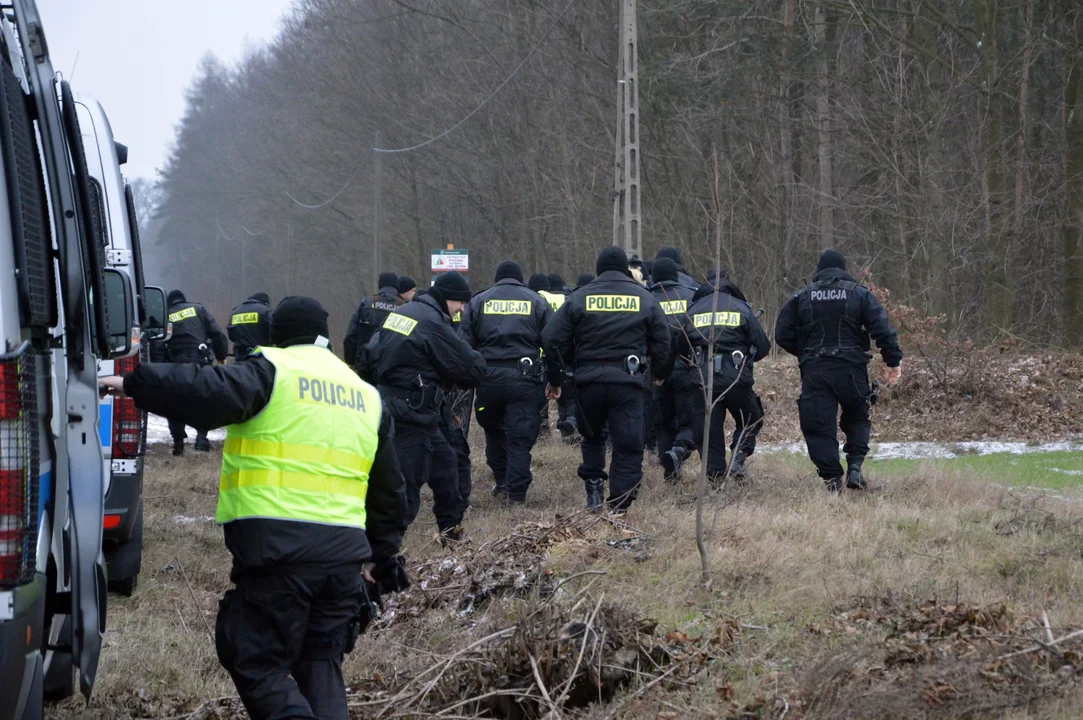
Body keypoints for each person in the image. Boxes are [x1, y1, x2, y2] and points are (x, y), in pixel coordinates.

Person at [99, 296, 409, 720]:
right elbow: (390, 490)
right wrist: (381, 554)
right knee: (320, 664)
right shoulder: (366, 396)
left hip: (278, 556)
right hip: (343, 562)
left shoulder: (272, 372)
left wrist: (132, 382)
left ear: (276, 335)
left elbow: (202, 388)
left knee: (257, 661)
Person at [357, 271, 486, 539]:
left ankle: (451, 535)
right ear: (448, 298)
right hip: (410, 415)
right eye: (460, 302)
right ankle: (381, 551)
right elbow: (468, 366)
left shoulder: (405, 312)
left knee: (447, 467)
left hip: (403, 410)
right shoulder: (431, 322)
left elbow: (368, 356)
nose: (462, 309)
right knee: (406, 488)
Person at [543, 247, 671, 513]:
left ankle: (593, 491)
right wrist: (659, 373)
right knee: (628, 443)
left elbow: (551, 338)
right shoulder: (644, 297)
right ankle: (620, 506)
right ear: (626, 268)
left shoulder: (578, 298)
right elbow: (663, 339)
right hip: (628, 382)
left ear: (598, 268)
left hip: (587, 382)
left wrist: (557, 377)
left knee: (592, 438)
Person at [774, 249, 903, 492]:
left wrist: (805, 353)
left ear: (819, 270)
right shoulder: (859, 294)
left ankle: (833, 479)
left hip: (816, 370)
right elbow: (883, 329)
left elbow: (781, 335)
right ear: (844, 269)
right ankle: (854, 468)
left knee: (818, 425)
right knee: (857, 417)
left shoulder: (802, 296)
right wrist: (893, 361)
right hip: (851, 369)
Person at [461, 261, 552, 503]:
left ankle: (502, 481)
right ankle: (517, 495)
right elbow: (552, 342)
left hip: (488, 378)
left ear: (497, 278)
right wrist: (554, 379)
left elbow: (464, 344)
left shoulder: (479, 301)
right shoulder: (536, 301)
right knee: (520, 438)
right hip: (525, 378)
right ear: (520, 278)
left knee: (493, 431)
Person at [678, 276, 771, 482]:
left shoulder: (692, 311)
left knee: (707, 432)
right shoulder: (741, 308)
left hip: (702, 380)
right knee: (750, 419)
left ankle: (715, 480)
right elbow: (763, 347)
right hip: (736, 379)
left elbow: (679, 348)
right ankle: (739, 455)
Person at [648, 258, 698, 481]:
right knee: (690, 421)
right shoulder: (692, 295)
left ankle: (670, 471)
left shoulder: (647, 298)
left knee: (663, 422)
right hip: (688, 367)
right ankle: (678, 451)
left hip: (657, 371)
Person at [165, 289, 228, 455]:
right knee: (202, 399)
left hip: (175, 364)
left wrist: (159, 368)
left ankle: (178, 444)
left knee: (175, 403)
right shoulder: (198, 309)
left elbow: (158, 344)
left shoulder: (166, 315)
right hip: (200, 362)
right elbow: (217, 334)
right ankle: (201, 438)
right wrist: (221, 356)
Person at [344, 272, 402, 367]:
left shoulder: (367, 302)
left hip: (366, 362)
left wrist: (350, 361)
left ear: (380, 285)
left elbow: (351, 334)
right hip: (393, 364)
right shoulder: (403, 306)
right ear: (396, 286)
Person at [227, 292, 272, 360]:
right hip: (260, 356)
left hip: (240, 356)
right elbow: (274, 331)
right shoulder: (266, 311)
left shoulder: (235, 312)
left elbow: (231, 335)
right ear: (266, 303)